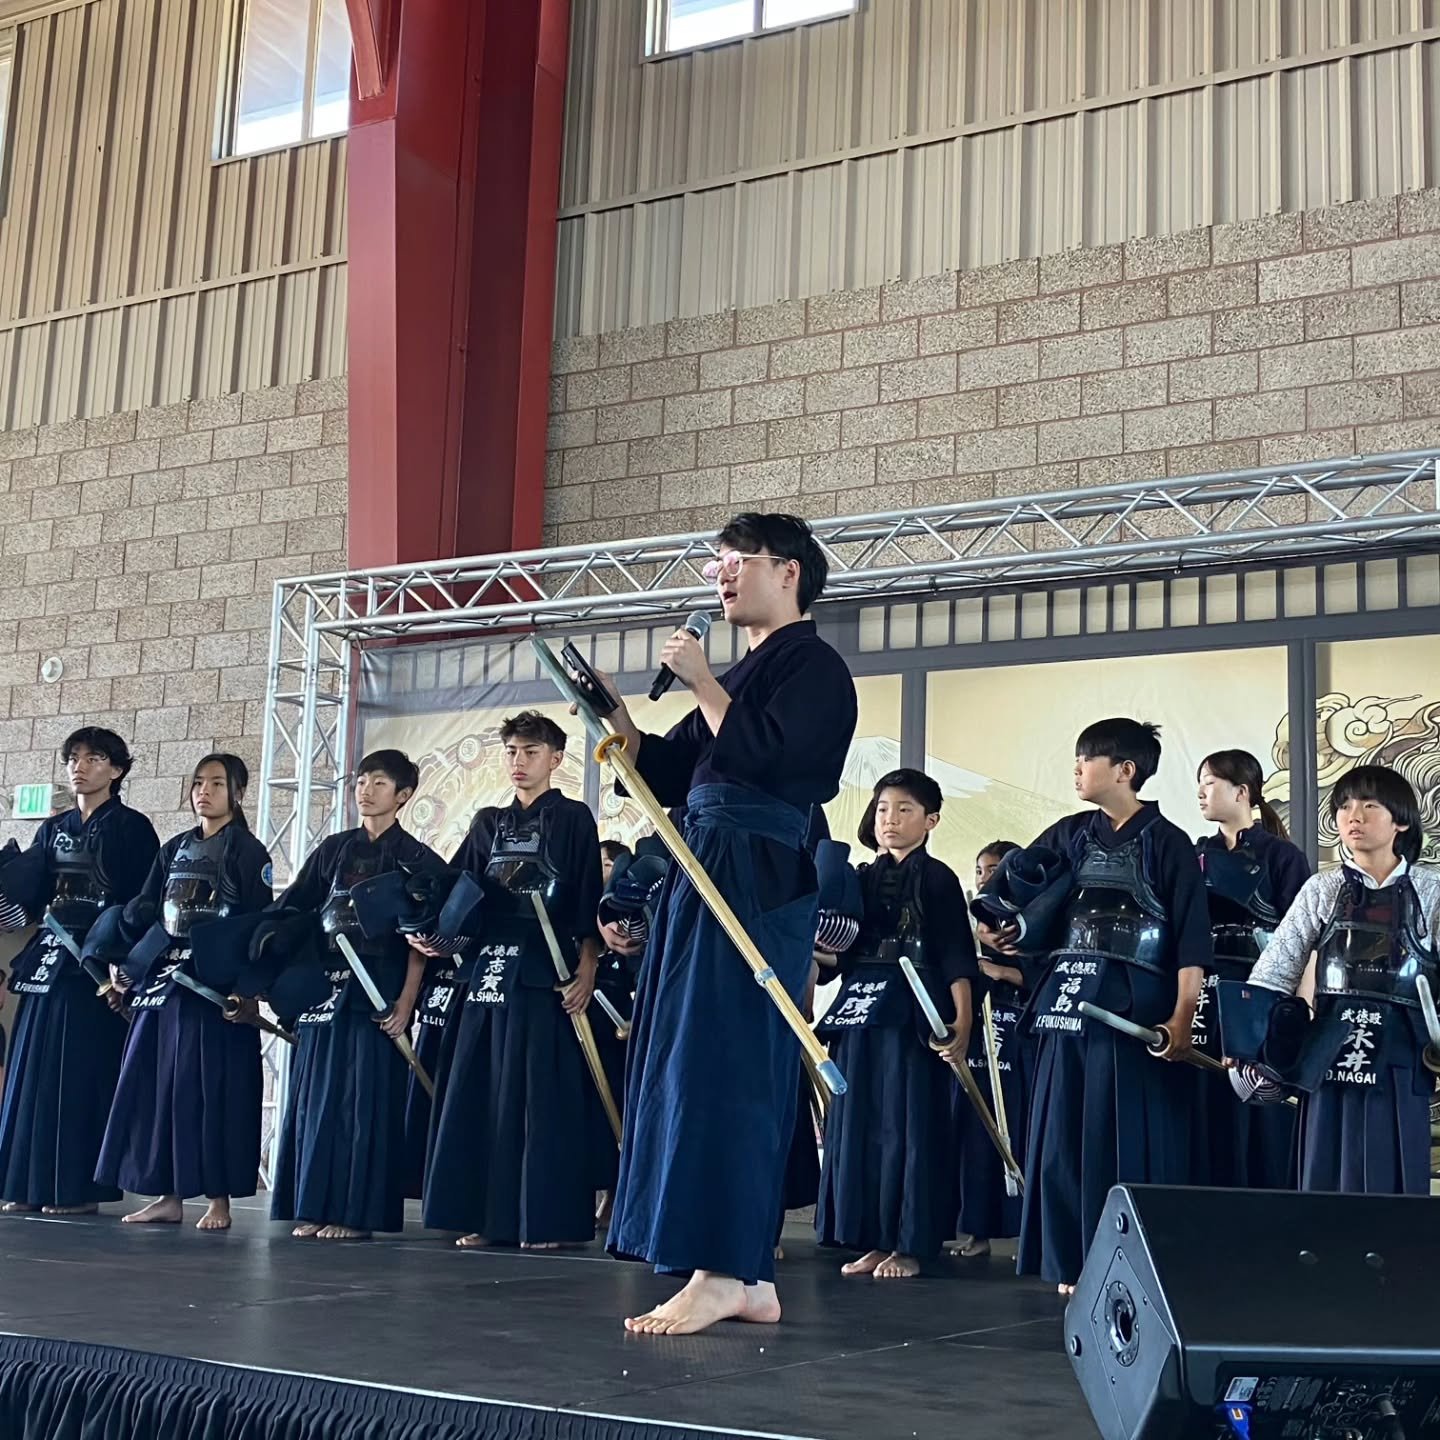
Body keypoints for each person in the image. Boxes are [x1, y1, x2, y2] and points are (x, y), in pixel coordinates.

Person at [592, 511, 858, 1335]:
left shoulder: (814, 666)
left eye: (736, 560)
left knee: (729, 1059)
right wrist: (618, 723)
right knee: (681, 1052)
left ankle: (729, 1266)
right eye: (716, 561)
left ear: (788, 572)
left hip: (755, 873)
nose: (721, 573)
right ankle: (733, 1272)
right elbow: (678, 768)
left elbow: (779, 763)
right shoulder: (741, 674)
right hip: (699, 861)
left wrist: (706, 682)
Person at [978, 719, 1209, 1295]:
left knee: (1124, 1130)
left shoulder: (1169, 841)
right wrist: (1004, 929)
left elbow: (1190, 939)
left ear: (1125, 770)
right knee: (1062, 1129)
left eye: (1088, 759)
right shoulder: (1069, 834)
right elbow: (1018, 893)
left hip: (1135, 1003)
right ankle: (1071, 1258)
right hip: (1068, 996)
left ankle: (1129, 1259)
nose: (1077, 769)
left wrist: (1183, 1015)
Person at [423, 712, 604, 1250]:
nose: (518, 762)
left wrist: (587, 968)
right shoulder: (487, 822)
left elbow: (589, 899)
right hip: (488, 971)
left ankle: (542, 1222)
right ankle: (486, 1217)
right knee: (482, 1090)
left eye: (529, 752)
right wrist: (431, 929)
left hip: (544, 969)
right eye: (511, 752)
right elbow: (459, 893)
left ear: (555, 758)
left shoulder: (573, 819)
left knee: (539, 1096)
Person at [94, 754, 274, 1230]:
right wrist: (127, 974)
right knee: (160, 1087)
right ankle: (168, 1195)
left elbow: (258, 926)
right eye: (198, 782)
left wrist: (246, 991)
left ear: (237, 792)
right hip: (165, 983)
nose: (204, 791)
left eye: (216, 783)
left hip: (214, 988)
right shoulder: (173, 848)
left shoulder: (248, 851)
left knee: (212, 1091)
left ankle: (219, 1200)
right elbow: (151, 914)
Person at [1241, 765, 1438, 1195]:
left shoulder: (1433, 890)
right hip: (1328, 1052)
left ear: (1400, 820)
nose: (1354, 816)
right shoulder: (1321, 888)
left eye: (1369, 805)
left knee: (1397, 1185)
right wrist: (1247, 1042)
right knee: (1324, 1177)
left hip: (1402, 1056)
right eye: (1345, 806)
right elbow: (1275, 970)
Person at [269, 749, 440, 1240]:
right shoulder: (334, 850)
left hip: (379, 987)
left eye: (379, 783)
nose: (365, 790)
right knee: (316, 1095)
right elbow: (296, 909)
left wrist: (407, 1002)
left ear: (403, 796)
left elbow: (421, 939)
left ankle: (356, 1214)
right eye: (361, 781)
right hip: (327, 984)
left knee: (363, 1100)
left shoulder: (414, 858)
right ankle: (313, 1204)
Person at [815, 769, 974, 1280]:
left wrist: (962, 1023)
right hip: (861, 1007)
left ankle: (907, 1243)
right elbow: (842, 954)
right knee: (858, 1122)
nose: (891, 819)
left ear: (930, 821)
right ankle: (870, 1238)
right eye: (883, 808)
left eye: (904, 810)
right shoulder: (859, 877)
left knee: (909, 1125)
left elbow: (956, 955)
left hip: (914, 1010)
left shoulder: (939, 878)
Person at [0, 728, 160, 1216]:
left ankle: (77, 1189)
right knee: (33, 1071)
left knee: (82, 1076)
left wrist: (124, 968)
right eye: (73, 757)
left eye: (93, 758)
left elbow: (142, 903)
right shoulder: (53, 828)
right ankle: (25, 1184)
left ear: (116, 769)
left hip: (98, 964)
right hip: (51, 957)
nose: (80, 766)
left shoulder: (132, 828)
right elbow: (27, 900)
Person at [1192, 750, 1311, 1188]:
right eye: (1200, 782)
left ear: (1242, 792)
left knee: (1257, 1102)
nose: (1201, 791)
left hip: (1258, 992)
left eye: (1210, 782)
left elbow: (1302, 939)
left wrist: (1297, 1008)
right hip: (1202, 991)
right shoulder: (1193, 855)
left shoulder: (1282, 856)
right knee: (1204, 1098)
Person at [952, 840, 1033, 1261]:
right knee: (974, 1137)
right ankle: (977, 1231)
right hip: (978, 1044)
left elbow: (1044, 980)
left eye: (995, 868)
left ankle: (1029, 1235)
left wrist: (1001, 970)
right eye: (980, 868)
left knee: (1021, 1131)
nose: (986, 876)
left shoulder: (1035, 925)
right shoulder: (966, 930)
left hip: (1020, 1048)